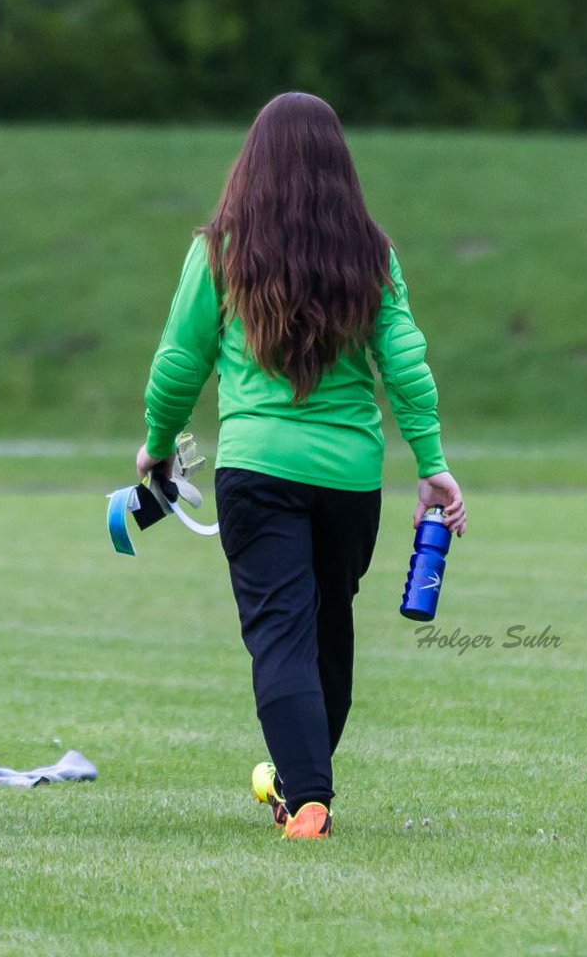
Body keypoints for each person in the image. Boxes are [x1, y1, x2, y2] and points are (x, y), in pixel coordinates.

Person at [136, 92, 466, 840]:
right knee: (327, 629)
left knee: (282, 634)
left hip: (256, 472)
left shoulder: (221, 248)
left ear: (251, 162)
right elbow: (406, 363)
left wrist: (158, 441)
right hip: (349, 482)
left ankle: (307, 797)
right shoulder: (370, 253)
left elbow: (180, 360)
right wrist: (432, 463)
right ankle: (300, 787)